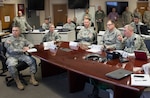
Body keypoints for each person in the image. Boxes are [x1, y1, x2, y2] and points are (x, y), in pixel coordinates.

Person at [4, 26, 38, 90]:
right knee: (11, 65)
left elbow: (31, 44)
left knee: (32, 60)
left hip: (21, 55)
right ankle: (17, 81)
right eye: (13, 30)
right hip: (12, 56)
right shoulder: (8, 40)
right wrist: (22, 50)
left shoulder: (22, 39)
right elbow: (11, 50)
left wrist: (28, 47)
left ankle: (32, 78)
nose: (14, 32)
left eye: (16, 30)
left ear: (19, 32)